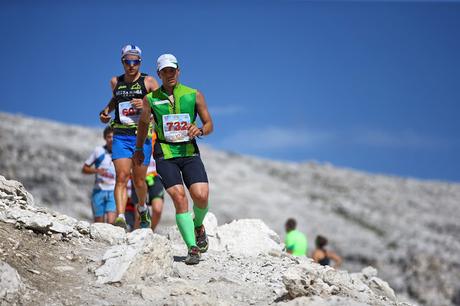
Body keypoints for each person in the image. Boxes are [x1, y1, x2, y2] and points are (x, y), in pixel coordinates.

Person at [133, 54, 213, 265]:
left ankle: (198, 225)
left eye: (172, 70)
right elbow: (142, 125)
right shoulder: (150, 99)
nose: (169, 74)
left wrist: (201, 130)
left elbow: (209, 124)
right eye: (164, 71)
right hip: (165, 154)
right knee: (179, 198)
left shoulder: (194, 95)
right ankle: (192, 248)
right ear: (159, 74)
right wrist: (139, 147)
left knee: (201, 196)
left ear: (178, 71)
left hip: (189, 152)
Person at [98, 44, 159, 230]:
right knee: (122, 176)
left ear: (140, 62)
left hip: (141, 137)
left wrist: (145, 105)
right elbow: (116, 99)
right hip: (121, 135)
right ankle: (121, 217)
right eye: (127, 61)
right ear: (122, 62)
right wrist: (106, 110)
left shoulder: (148, 81)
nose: (131, 65)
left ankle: (142, 208)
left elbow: (162, 105)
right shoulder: (115, 81)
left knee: (139, 180)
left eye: (135, 61)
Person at [82, 126, 116, 223]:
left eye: (114, 137)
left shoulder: (120, 153)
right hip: (99, 191)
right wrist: (96, 171)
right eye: (109, 137)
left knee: (111, 221)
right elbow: (84, 168)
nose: (111, 139)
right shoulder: (98, 151)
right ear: (105, 138)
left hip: (113, 191)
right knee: (99, 224)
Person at [131, 150, 165, 231]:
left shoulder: (155, 139)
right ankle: (135, 234)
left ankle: (150, 232)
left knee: (157, 209)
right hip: (138, 178)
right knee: (139, 214)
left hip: (154, 177)